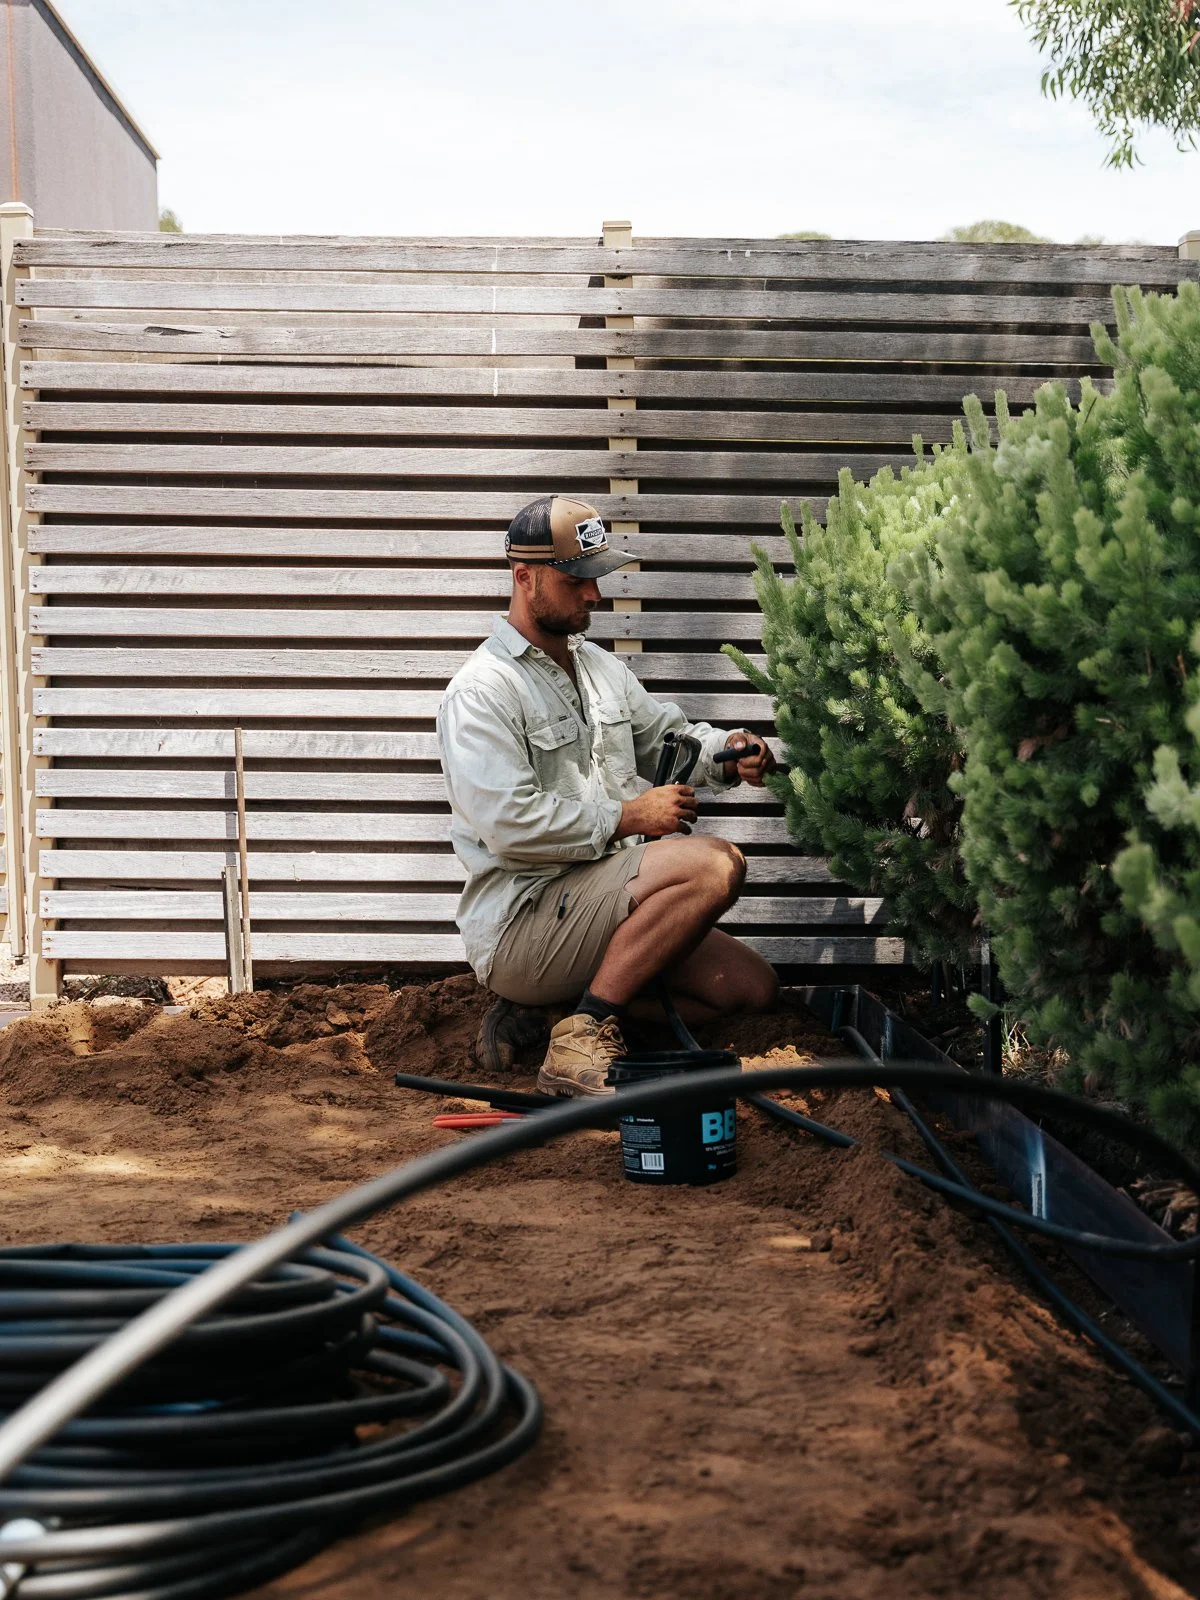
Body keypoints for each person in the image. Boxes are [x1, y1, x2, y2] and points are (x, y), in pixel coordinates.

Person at [436, 494, 780, 1099]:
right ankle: (584, 1034)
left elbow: (667, 742)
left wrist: (730, 750)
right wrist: (626, 816)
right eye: (578, 581)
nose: (595, 595)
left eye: (598, 578)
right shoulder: (482, 691)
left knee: (748, 990)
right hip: (527, 921)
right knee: (715, 864)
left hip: (605, 902)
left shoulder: (597, 667)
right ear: (525, 577)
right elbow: (510, 825)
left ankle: (557, 1015)